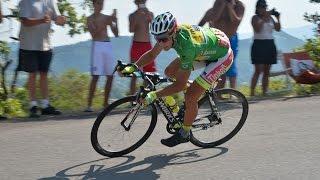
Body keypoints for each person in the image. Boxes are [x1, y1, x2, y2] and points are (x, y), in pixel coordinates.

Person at [120, 12, 234, 147]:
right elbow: (152, 54)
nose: (160, 43)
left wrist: (154, 95)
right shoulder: (167, 35)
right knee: (169, 72)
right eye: (157, 39)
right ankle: (198, 87)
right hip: (207, 47)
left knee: (190, 96)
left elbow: (179, 85)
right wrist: (134, 66)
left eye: (163, 40)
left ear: (173, 32)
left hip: (221, 57)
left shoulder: (187, 47)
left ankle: (185, 133)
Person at [18, 0, 66, 118]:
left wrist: (61, 20)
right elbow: (25, 21)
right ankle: (33, 106)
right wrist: (42, 20)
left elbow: (57, 18)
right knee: (32, 74)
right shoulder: (26, 1)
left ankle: (45, 105)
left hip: (45, 44)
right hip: (28, 44)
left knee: (44, 74)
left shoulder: (51, 1)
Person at [198, 0, 245, 89]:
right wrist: (223, 4)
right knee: (218, 68)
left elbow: (236, 22)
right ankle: (217, 94)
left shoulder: (239, 5)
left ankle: (233, 94)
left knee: (231, 67)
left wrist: (230, 8)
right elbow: (213, 18)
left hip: (231, 39)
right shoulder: (218, 3)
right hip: (216, 40)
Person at [85, 0, 119, 112]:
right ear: (94, 4)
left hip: (107, 45)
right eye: (98, 3)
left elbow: (116, 34)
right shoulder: (89, 19)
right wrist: (105, 23)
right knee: (95, 76)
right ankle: (89, 105)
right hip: (97, 46)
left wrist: (115, 21)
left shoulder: (106, 17)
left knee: (111, 75)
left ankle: (105, 103)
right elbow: (93, 34)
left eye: (102, 3)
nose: (100, 5)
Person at [250, 0, 281, 96]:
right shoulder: (255, 18)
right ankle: (252, 93)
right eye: (262, 7)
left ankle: (264, 92)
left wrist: (278, 18)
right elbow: (257, 29)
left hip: (270, 44)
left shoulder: (270, 18)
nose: (263, 9)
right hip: (258, 44)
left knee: (267, 71)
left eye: (265, 7)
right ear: (257, 8)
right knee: (258, 70)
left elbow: (278, 29)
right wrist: (264, 17)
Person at [128, 0, 155, 95]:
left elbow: (154, 27)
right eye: (139, 1)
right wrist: (137, 16)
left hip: (147, 45)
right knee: (134, 73)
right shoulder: (132, 15)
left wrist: (147, 14)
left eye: (143, 1)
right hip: (136, 45)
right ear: (136, 3)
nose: (142, 3)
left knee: (149, 74)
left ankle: (144, 98)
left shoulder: (150, 13)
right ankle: (132, 100)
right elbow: (131, 29)